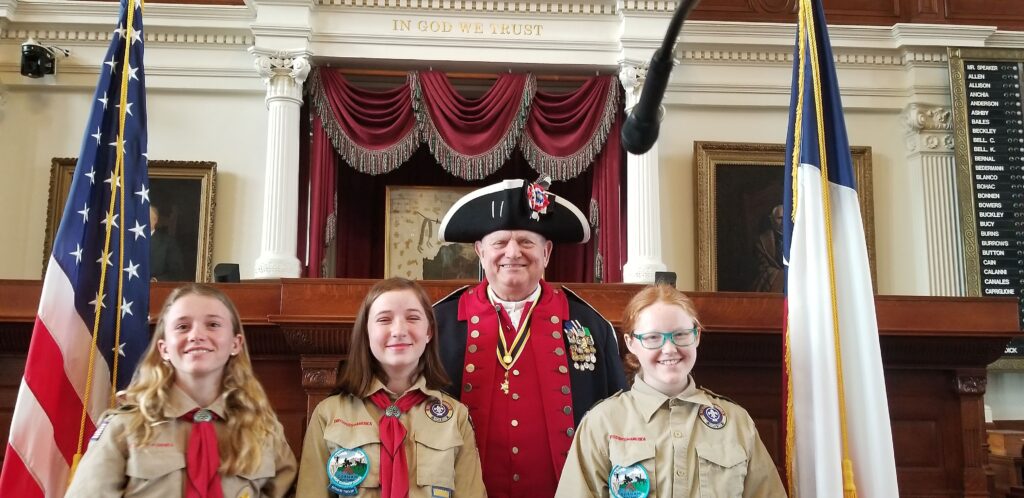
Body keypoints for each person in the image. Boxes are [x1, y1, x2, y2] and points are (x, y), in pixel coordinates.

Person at [433, 178, 627, 498]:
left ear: (547, 252)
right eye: (500, 243)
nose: (513, 252)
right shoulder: (437, 324)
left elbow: (620, 428)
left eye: (526, 241)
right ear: (480, 252)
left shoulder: (592, 325)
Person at [66, 284, 297, 497]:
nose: (196, 335)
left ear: (235, 344)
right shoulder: (125, 428)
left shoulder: (264, 430)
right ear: (164, 348)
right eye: (182, 326)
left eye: (213, 325)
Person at [555, 285, 787, 498]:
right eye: (653, 337)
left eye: (680, 334)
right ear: (631, 343)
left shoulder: (736, 423)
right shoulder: (603, 422)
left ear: (695, 335)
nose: (669, 348)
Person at [298, 277, 485, 498]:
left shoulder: (456, 417)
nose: (399, 330)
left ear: (429, 332)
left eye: (413, 318)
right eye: (384, 319)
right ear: (366, 333)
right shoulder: (329, 414)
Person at [751, 204, 784, 293]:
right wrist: (782, 275)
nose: (783, 222)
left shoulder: (798, 238)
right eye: (780, 218)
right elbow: (763, 268)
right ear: (772, 220)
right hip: (775, 286)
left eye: (786, 218)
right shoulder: (762, 241)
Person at [150, 204, 188, 282]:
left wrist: (156, 280)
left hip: (156, 289)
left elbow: (176, 272)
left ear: (155, 220)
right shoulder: (128, 242)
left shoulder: (168, 243)